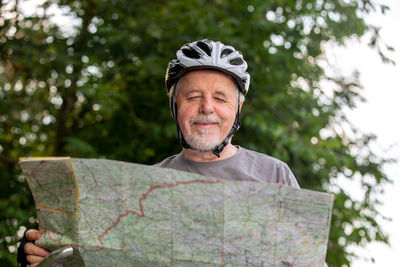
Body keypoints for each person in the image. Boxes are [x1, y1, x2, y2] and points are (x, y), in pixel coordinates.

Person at [18, 39, 302, 266]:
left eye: (220, 98)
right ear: (174, 106)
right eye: (192, 97)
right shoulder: (143, 189)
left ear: (237, 108)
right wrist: (49, 256)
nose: (206, 107)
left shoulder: (274, 175)